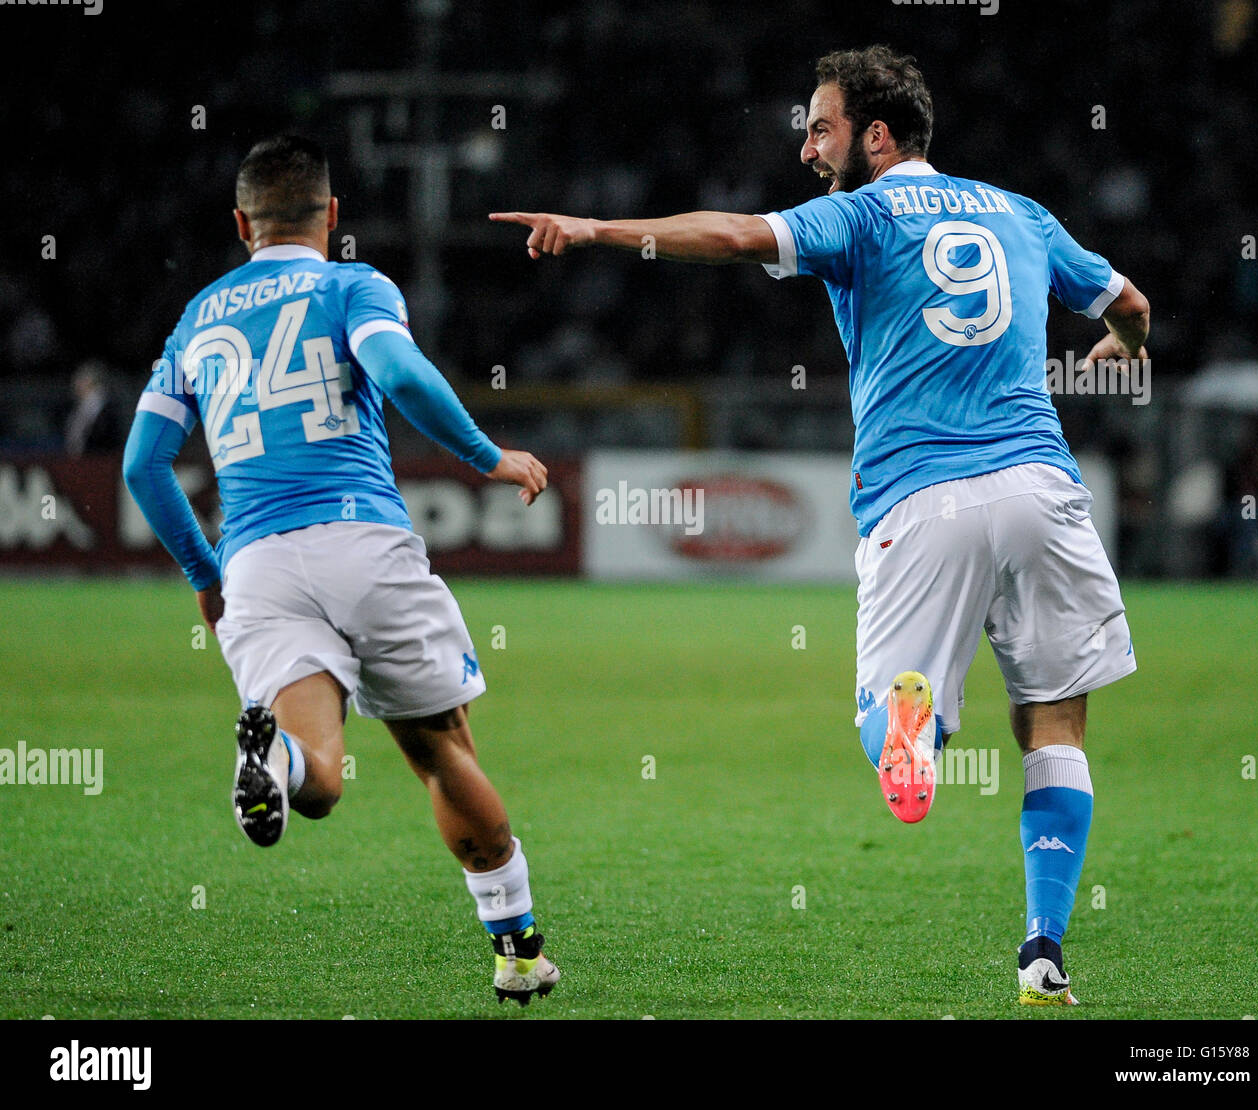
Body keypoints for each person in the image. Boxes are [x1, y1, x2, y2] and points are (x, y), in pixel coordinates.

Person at [491, 45, 1149, 1006]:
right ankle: (1042, 950)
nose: (807, 148)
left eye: (821, 127)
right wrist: (1117, 350)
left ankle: (910, 725)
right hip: (1043, 489)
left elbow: (730, 238)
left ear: (876, 138)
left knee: (887, 730)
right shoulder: (1022, 211)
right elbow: (1131, 305)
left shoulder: (866, 211)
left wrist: (595, 228)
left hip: (922, 500)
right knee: (1055, 724)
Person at [123, 135, 558, 1006]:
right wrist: (485, 456)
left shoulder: (199, 317)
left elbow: (142, 465)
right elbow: (397, 371)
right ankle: (517, 951)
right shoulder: (354, 284)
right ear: (332, 216)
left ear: (241, 222)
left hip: (254, 564)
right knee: (438, 748)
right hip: (360, 541)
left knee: (320, 777)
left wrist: (206, 579)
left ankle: (275, 763)